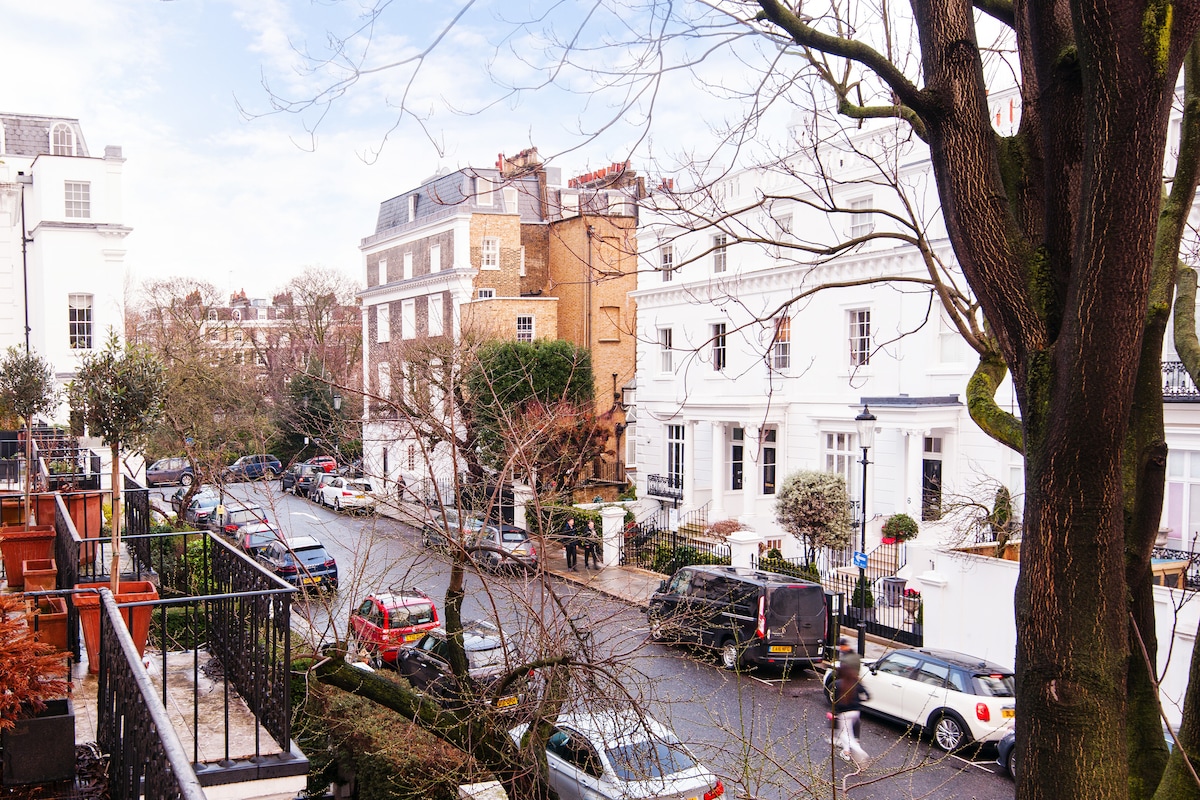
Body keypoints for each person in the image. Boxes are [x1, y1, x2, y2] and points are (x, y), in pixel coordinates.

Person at [833, 661, 870, 767]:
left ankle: (860, 752)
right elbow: (867, 695)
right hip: (856, 712)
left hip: (844, 713)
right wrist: (859, 702)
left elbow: (836, 701)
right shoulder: (855, 682)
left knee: (845, 735)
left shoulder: (838, 684)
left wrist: (836, 713)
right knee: (846, 732)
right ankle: (846, 752)